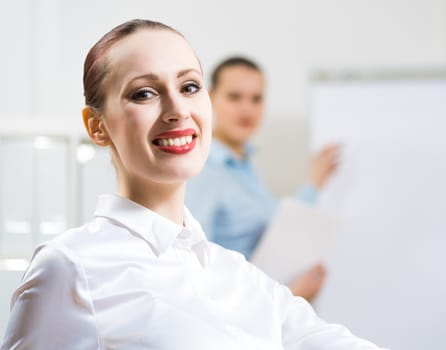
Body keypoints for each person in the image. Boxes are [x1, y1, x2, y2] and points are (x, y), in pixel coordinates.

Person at [1, 19, 387, 349]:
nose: (178, 109)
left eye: (189, 87)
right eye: (144, 93)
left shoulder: (237, 276)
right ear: (96, 126)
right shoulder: (71, 267)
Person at [186, 56, 340, 301]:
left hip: (265, 315)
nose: (247, 109)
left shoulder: (244, 165)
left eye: (256, 99)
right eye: (235, 97)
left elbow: (273, 232)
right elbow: (195, 275)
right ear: (211, 98)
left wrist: (314, 184)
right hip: (241, 321)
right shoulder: (199, 171)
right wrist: (290, 296)